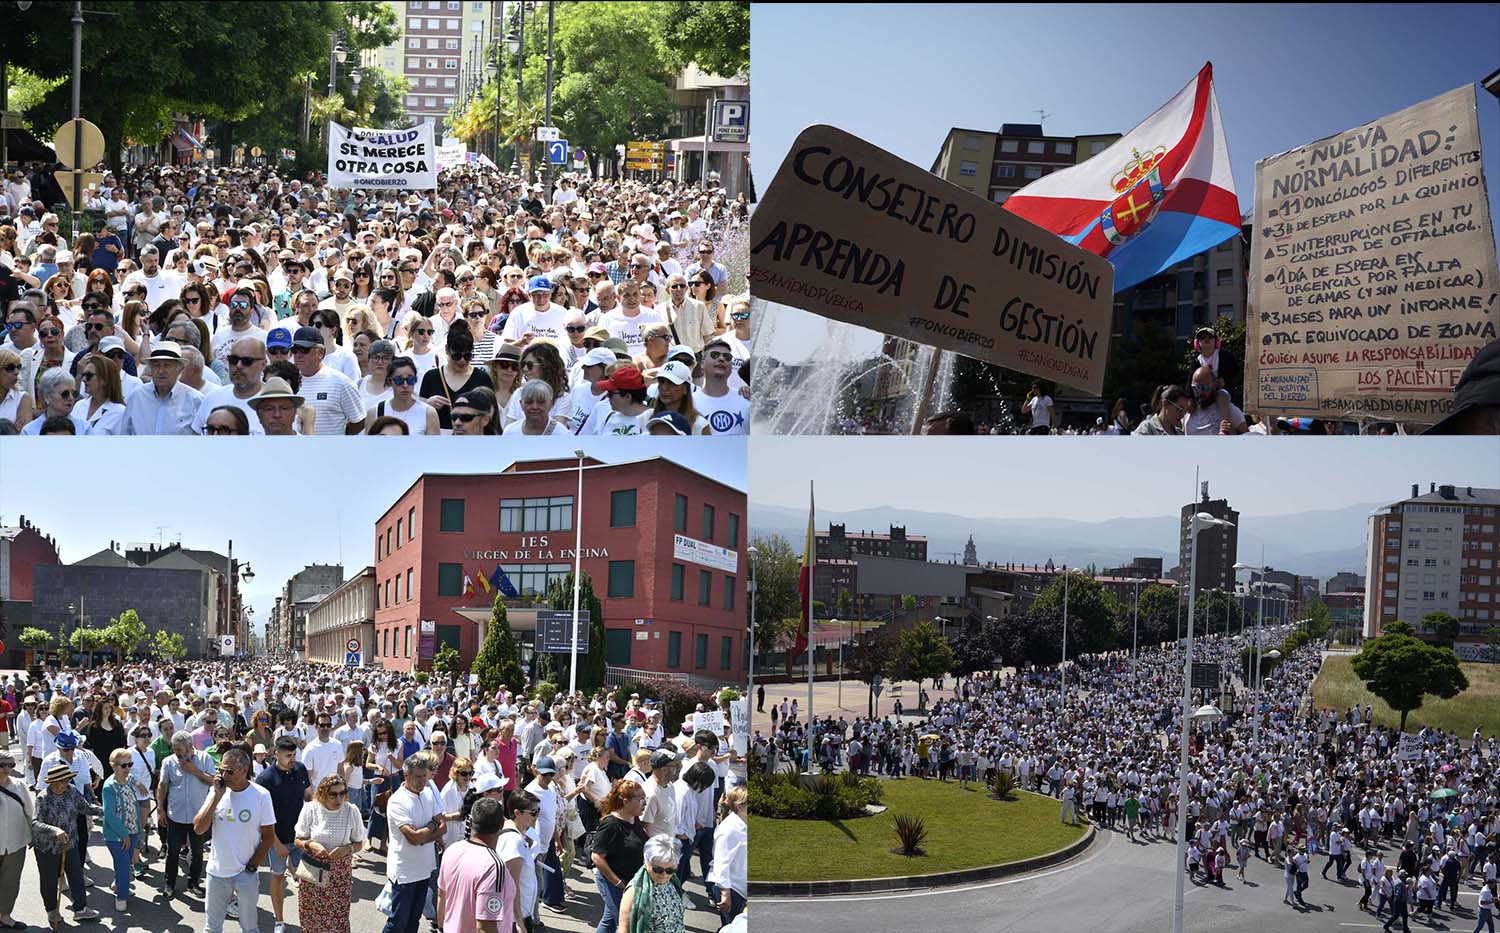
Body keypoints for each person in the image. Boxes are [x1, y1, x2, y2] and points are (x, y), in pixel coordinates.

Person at [194, 747, 276, 933]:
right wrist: (216, 796)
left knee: (249, 927)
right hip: (217, 873)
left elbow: (269, 836)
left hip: (245, 874)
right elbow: (199, 828)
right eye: (220, 770)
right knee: (212, 927)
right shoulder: (216, 791)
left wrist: (252, 867)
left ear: (244, 770)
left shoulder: (261, 795)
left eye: (229, 771)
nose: (223, 775)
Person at [292, 774, 365, 933]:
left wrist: (347, 849)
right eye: (333, 794)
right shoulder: (311, 808)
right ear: (324, 793)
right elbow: (297, 840)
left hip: (339, 874)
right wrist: (311, 845)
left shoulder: (351, 811)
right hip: (313, 872)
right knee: (311, 918)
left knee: (338, 919)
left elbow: (359, 843)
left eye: (343, 793)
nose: (339, 798)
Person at [435, 795, 516, 933]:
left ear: (471, 821)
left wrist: (441, 928)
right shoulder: (493, 866)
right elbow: (485, 926)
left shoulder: (452, 850)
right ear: (502, 825)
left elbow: (442, 896)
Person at [383, 754, 444, 933]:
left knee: (413, 921)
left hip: (424, 869)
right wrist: (432, 826)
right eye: (418, 776)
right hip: (405, 873)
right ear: (406, 775)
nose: (422, 781)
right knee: (397, 923)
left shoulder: (428, 794)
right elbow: (414, 838)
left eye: (424, 776)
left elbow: (443, 827)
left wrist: (426, 832)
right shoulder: (397, 801)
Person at [256, 737, 312, 933]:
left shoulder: (300, 769)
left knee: (309, 881)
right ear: (276, 754)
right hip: (277, 839)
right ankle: (279, 921)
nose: (292, 759)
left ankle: (309, 921)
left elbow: (308, 796)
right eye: (288, 755)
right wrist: (276, 843)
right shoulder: (265, 779)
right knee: (278, 877)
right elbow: (262, 818)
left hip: (301, 838)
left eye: (294, 754)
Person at [34, 762, 100, 926]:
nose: (67, 782)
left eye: (68, 779)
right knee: (49, 881)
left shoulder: (72, 791)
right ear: (53, 782)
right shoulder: (43, 798)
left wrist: (105, 810)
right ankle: (52, 911)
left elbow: (85, 807)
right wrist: (54, 831)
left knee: (76, 876)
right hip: (47, 848)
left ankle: (80, 910)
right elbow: (35, 823)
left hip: (70, 843)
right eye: (64, 780)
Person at [157, 730, 214, 898]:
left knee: (197, 852)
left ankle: (193, 883)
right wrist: (160, 809)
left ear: (190, 746)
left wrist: (193, 770)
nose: (177, 753)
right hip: (176, 815)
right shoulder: (169, 762)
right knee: (172, 851)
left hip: (199, 816)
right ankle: (169, 883)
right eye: (174, 749)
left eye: (180, 750)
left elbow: (213, 781)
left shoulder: (204, 759)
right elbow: (162, 785)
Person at [591, 778, 648, 933]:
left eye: (645, 799)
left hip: (630, 882)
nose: (644, 803)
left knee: (609, 920)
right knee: (625, 924)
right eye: (640, 799)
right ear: (625, 801)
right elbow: (596, 856)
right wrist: (617, 883)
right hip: (614, 883)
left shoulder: (634, 818)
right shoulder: (611, 824)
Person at [617, 834, 687, 933]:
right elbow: (624, 928)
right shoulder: (634, 891)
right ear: (646, 862)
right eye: (657, 869)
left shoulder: (672, 882)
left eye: (670, 870)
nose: (664, 874)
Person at [101, 748, 142, 912]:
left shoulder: (129, 779)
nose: (127, 768)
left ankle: (119, 884)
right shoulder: (109, 787)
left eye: (129, 764)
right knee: (124, 865)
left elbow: (134, 798)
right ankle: (121, 897)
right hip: (116, 835)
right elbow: (109, 814)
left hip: (132, 831)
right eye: (123, 765)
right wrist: (123, 834)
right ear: (113, 766)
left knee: (124, 863)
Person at [496, 789, 540, 932]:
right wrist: (519, 921)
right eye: (533, 812)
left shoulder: (518, 836)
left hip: (521, 913)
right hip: (514, 918)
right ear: (517, 813)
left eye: (538, 811)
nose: (537, 816)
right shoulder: (513, 842)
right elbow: (511, 885)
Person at [0, 749, 35, 929]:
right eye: (2, 765)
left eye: (11, 765)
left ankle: (5, 915)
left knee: (11, 881)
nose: (7, 769)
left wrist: (32, 836)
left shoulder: (19, 786)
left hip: (16, 842)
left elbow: (29, 812)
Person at [706, 786, 746, 925]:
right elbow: (721, 862)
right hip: (732, 889)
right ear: (740, 807)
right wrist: (725, 892)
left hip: (740, 888)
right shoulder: (729, 829)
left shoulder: (743, 825)